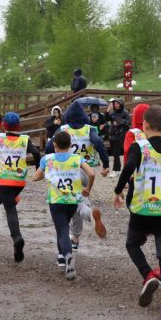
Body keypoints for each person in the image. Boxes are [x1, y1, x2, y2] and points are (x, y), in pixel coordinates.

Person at [113, 105, 161, 320]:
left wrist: (118, 191)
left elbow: (129, 167)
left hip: (143, 210)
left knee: (132, 244)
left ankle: (148, 274)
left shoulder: (140, 147)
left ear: (144, 125)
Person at [45, 100, 110, 254]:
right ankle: (75, 238)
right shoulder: (89, 129)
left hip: (68, 171)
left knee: (77, 204)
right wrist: (106, 164)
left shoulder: (63, 129)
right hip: (86, 171)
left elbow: (49, 147)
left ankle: (86, 223)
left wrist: (49, 160)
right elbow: (99, 143)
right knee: (77, 203)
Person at [32, 131, 97, 281]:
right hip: (73, 201)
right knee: (65, 227)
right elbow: (92, 173)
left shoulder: (47, 159)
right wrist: (88, 189)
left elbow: (35, 177)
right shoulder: (76, 158)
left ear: (54, 144)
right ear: (70, 145)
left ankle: (67, 256)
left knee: (62, 230)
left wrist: (47, 173)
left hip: (56, 201)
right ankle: (62, 257)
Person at [0, 112, 41, 262]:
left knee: (10, 211)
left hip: (4, 180)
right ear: (18, 125)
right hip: (19, 180)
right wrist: (38, 167)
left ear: (4, 125)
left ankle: (17, 238)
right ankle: (14, 200)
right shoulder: (25, 140)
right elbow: (36, 153)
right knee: (10, 201)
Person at [108, 98, 130, 176]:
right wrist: (107, 111)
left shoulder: (125, 113)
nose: (116, 105)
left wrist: (118, 122)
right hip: (112, 135)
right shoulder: (113, 113)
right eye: (115, 104)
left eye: (117, 104)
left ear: (121, 104)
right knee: (114, 153)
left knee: (116, 152)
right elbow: (107, 119)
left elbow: (127, 123)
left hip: (120, 135)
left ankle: (115, 170)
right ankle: (118, 169)